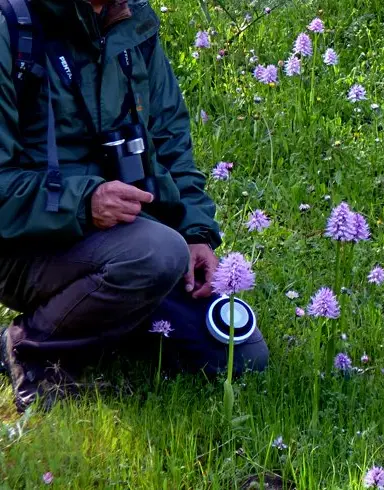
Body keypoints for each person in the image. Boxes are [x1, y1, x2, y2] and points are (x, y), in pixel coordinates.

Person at [0, 0, 267, 413]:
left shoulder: (134, 24)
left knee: (240, 355)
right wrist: (84, 202)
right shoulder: (12, 26)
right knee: (156, 255)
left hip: (127, 233)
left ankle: (106, 319)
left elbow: (172, 142)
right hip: (27, 243)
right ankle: (32, 348)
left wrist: (197, 234)